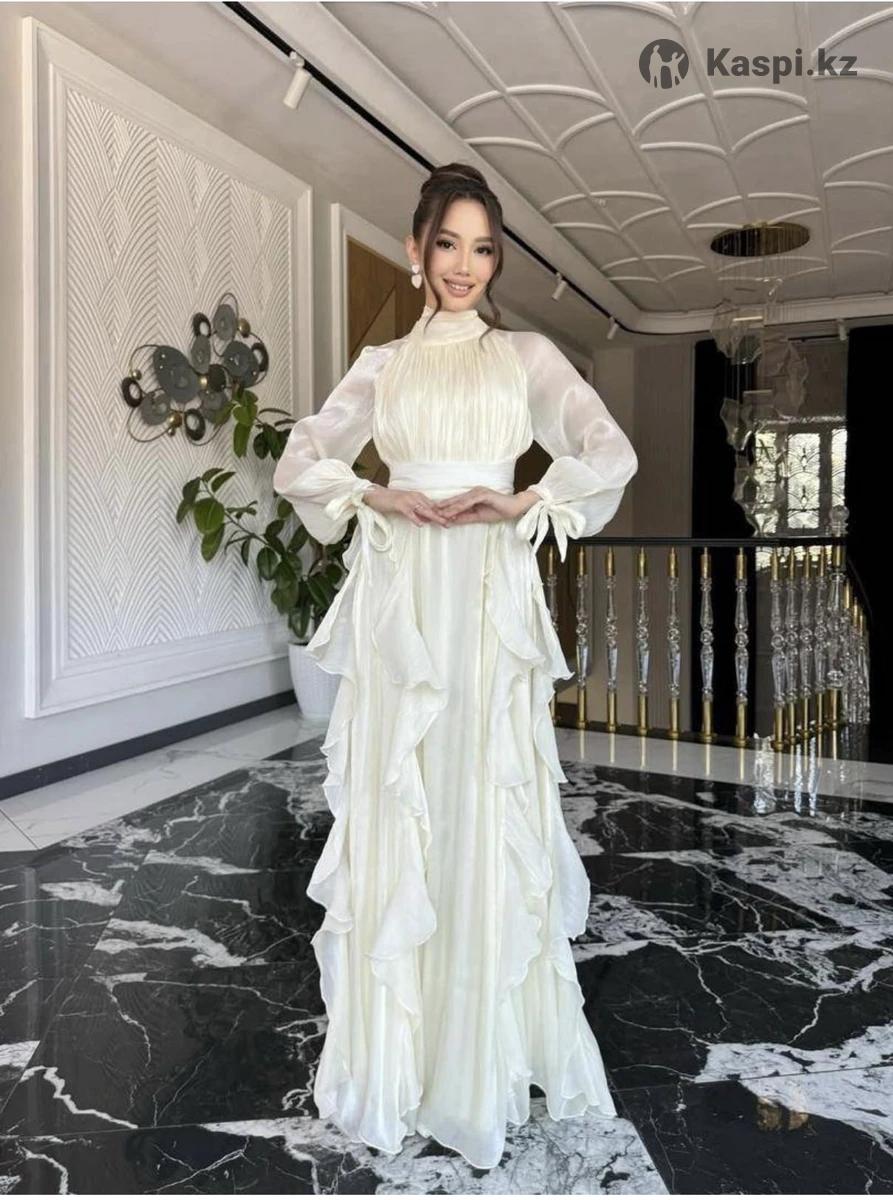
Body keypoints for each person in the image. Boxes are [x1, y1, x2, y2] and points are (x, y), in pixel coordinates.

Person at [272, 163, 638, 1170]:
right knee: (406, 799)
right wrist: (377, 496)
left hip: (483, 597)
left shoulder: (525, 356)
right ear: (415, 249)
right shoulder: (382, 366)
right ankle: (399, 1054)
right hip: (405, 598)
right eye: (447, 244)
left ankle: (476, 1058)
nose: (465, 265)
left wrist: (524, 501)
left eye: (482, 247)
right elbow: (301, 459)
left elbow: (605, 450)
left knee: (478, 798)